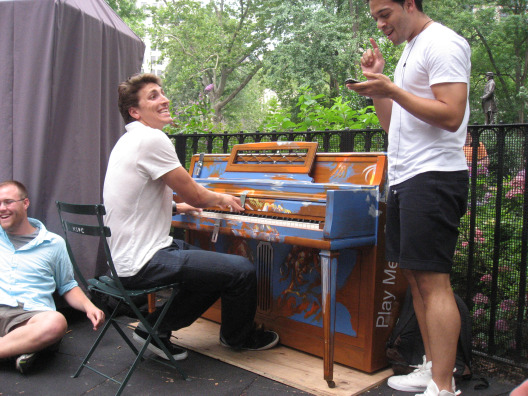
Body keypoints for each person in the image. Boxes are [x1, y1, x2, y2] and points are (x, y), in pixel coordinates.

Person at [103, 73, 279, 362]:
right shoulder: (151, 138)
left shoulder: (128, 141)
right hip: (143, 261)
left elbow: (135, 198)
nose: (164, 99)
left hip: (125, 258)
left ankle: (155, 328)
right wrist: (222, 198)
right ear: (135, 112)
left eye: (162, 92)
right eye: (153, 96)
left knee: (211, 270)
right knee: (241, 270)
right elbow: (196, 196)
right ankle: (238, 337)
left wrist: (174, 208)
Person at [346, 1, 470, 396]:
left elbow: (451, 114)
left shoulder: (443, 42)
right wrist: (378, 82)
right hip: (405, 177)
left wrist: (393, 89)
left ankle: (444, 387)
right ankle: (433, 369)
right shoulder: (409, 52)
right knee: (416, 280)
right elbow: (391, 124)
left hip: (433, 177)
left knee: (434, 282)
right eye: (376, 18)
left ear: (410, 4)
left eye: (385, 13)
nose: (381, 24)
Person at [0, 180, 105, 374]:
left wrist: (90, 306)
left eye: (8, 202)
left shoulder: (53, 243)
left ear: (25, 203)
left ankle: (22, 346)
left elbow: (67, 285)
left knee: (55, 323)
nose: (2, 208)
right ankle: (21, 348)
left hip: (29, 316)